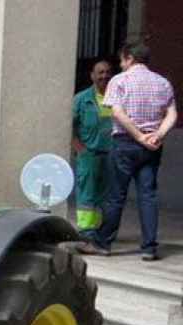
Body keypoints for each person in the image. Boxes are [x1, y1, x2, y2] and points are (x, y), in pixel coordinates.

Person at [80, 43, 177, 261]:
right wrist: (157, 135)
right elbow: (172, 114)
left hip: (125, 143)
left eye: (122, 60)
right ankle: (149, 248)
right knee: (148, 195)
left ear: (130, 58)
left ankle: (103, 244)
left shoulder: (119, 81)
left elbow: (118, 113)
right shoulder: (163, 83)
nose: (121, 65)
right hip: (152, 146)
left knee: (116, 196)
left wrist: (138, 136)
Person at [71, 60, 114, 242]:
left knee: (104, 195)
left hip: (111, 154)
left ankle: (98, 230)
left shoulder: (116, 97)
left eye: (108, 72)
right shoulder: (81, 99)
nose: (104, 75)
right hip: (89, 154)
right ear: (92, 76)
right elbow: (69, 125)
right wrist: (78, 147)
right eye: (100, 72)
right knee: (87, 193)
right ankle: (86, 232)